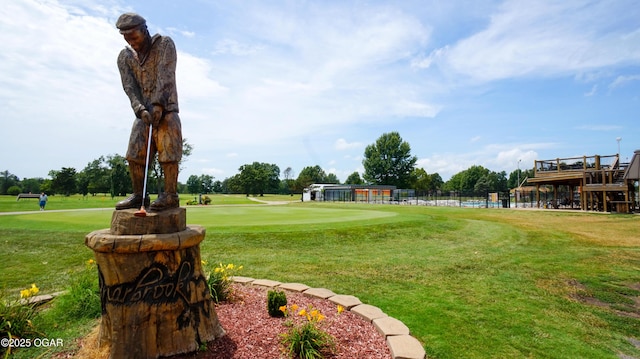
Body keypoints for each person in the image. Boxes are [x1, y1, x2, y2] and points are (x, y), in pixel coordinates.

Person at [114, 13, 183, 212]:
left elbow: (166, 75)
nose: (131, 42)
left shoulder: (164, 45)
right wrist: (139, 108)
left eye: (134, 37)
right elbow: (129, 87)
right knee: (134, 154)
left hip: (167, 110)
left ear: (144, 31)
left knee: (169, 152)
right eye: (127, 38)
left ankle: (170, 195)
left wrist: (158, 104)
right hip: (143, 115)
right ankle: (139, 195)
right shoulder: (125, 57)